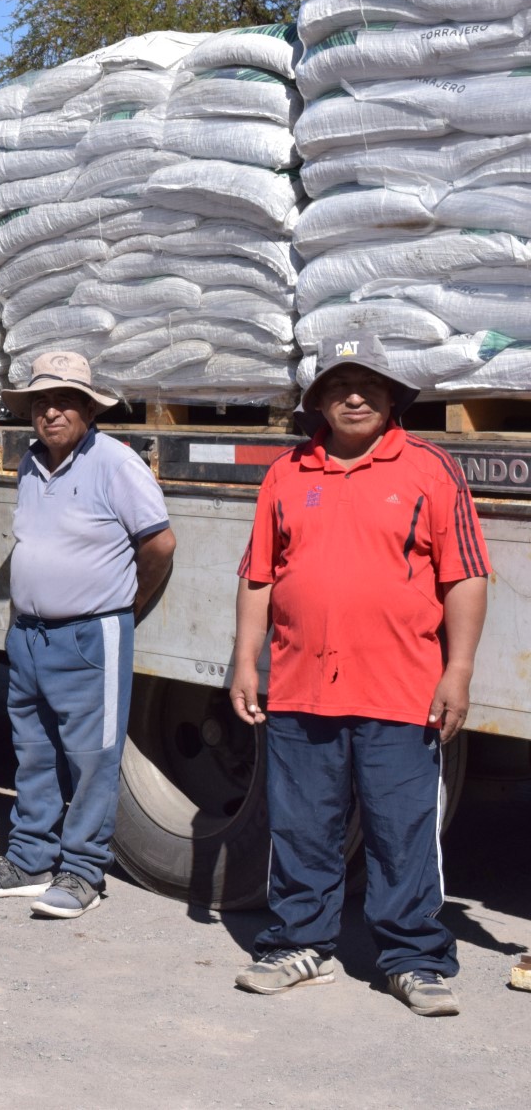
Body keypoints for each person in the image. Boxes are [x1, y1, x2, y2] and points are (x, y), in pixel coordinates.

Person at [228, 335, 487, 1017]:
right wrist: (243, 660)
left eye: (369, 384)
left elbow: (464, 576)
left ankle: (414, 957)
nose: (353, 395)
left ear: (393, 395)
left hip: (400, 689)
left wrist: (456, 671)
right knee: (302, 823)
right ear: (317, 399)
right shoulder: (287, 472)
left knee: (402, 828)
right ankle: (299, 943)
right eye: (339, 384)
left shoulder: (431, 469)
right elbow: (258, 576)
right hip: (299, 686)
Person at [0, 350, 174, 918]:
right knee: (32, 752)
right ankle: (29, 859)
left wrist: (125, 606)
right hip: (29, 636)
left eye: (65, 402)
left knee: (91, 758)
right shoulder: (30, 464)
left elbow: (159, 545)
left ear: (87, 410)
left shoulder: (116, 463)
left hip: (89, 634)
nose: (51, 413)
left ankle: (82, 873)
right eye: (41, 403)